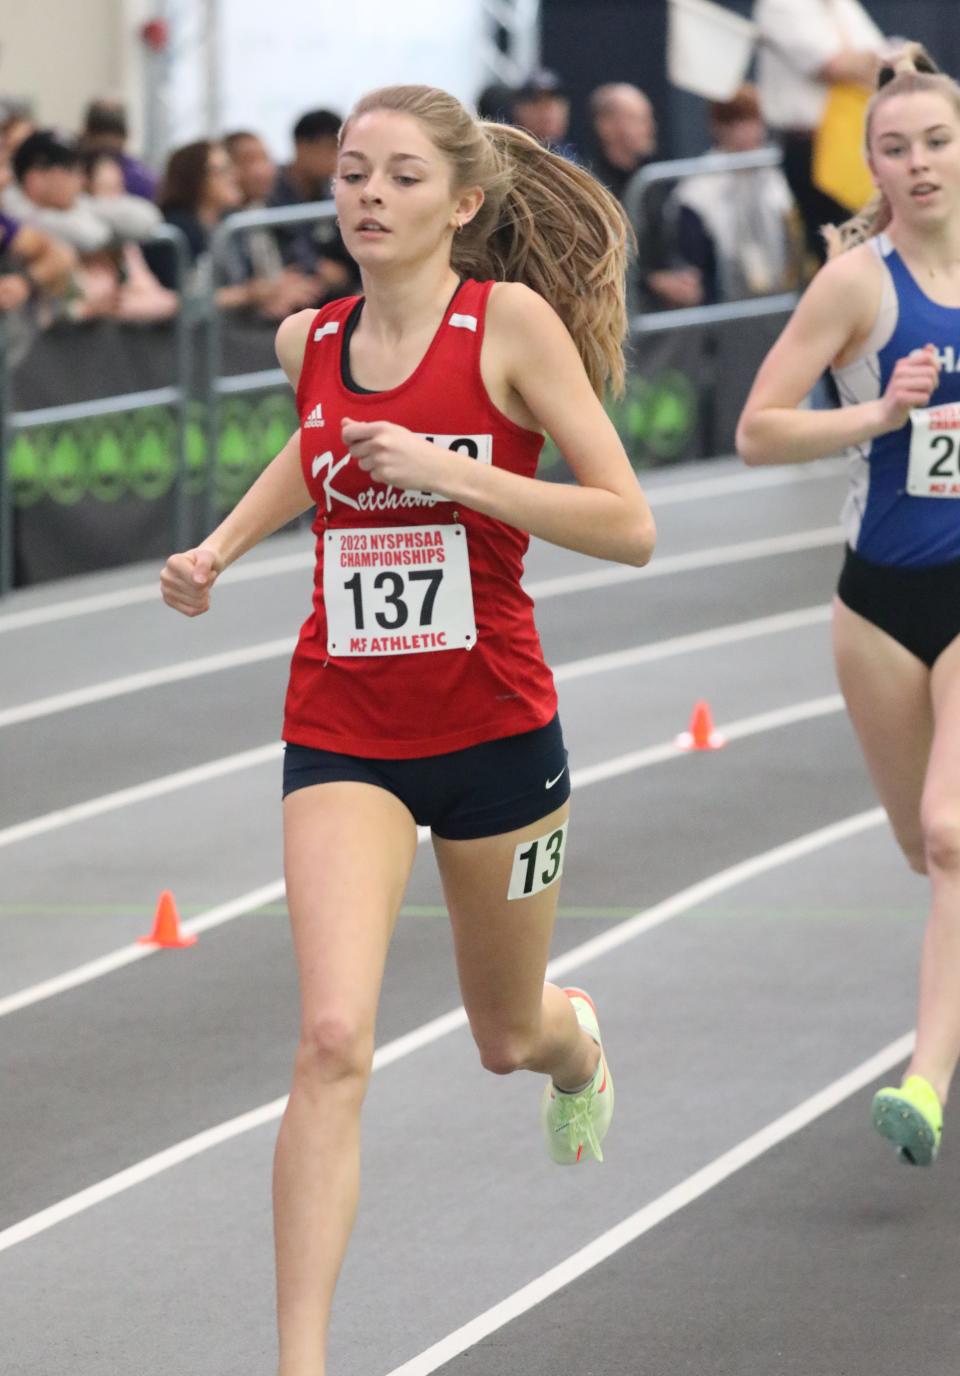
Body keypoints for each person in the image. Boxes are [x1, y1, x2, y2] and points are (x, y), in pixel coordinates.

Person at [160, 82, 655, 1374]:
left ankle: (575, 1041)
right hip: (343, 725)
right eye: (349, 175)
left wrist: (456, 471)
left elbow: (630, 524)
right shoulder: (305, 341)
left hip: (496, 725)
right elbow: (313, 451)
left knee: (506, 1038)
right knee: (332, 1039)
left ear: (464, 203)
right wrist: (217, 547)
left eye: (398, 177)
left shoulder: (514, 329)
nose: (367, 196)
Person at [737, 45, 960, 1169]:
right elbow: (757, 427)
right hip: (876, 601)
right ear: (870, 165)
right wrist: (877, 416)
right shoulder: (860, 283)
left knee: (951, 830)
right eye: (895, 148)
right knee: (921, 853)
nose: (918, 164)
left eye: (937, 142)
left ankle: (925, 1081)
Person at [753, 0, 887, 263]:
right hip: (812, 151)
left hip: (857, 145)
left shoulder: (841, 5)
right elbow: (834, 65)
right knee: (840, 255)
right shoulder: (780, 6)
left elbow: (882, 62)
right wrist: (876, 62)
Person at [668, 84, 802, 303]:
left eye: (750, 120)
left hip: (784, 296)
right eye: (732, 122)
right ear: (716, 127)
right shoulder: (697, 186)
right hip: (725, 301)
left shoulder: (779, 173)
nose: (743, 131)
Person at [589, 82, 657, 203]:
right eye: (636, 119)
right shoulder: (590, 188)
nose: (649, 128)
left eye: (648, 118)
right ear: (606, 126)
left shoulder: (653, 184)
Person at [79, 98, 159, 201]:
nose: (106, 141)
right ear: (127, 135)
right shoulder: (143, 176)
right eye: (101, 132)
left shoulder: (141, 178)